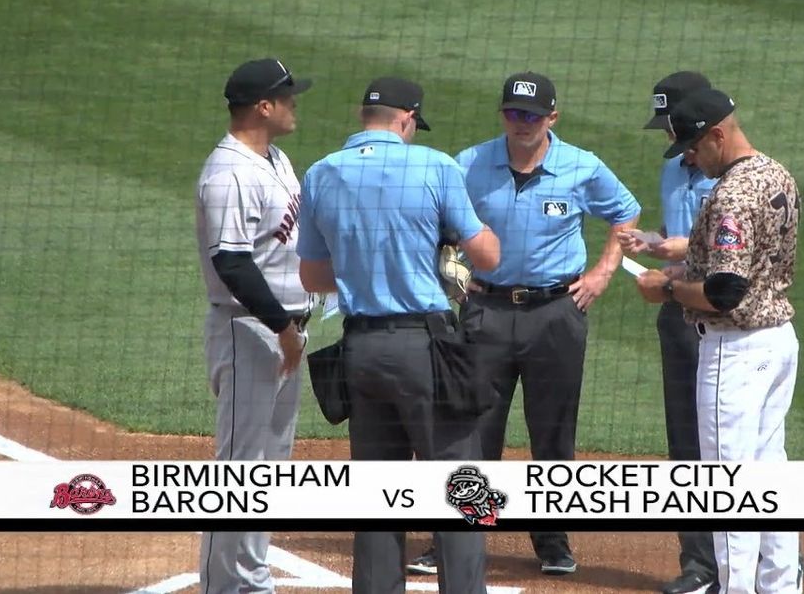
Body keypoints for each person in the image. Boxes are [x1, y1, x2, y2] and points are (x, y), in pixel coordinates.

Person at [407, 71, 642, 577]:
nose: (522, 123)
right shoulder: (469, 163)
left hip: (556, 314)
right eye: (514, 112)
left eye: (532, 115)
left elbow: (626, 214)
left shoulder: (582, 166)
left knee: (553, 431)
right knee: (472, 429)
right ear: (503, 114)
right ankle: (464, 534)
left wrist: (602, 274)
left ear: (551, 117)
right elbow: (430, 217)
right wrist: (448, 266)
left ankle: (552, 541)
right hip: (485, 311)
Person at [295, 77, 501, 594]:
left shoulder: (321, 173)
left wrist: (368, 263)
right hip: (423, 350)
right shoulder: (434, 166)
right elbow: (488, 257)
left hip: (361, 350)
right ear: (407, 118)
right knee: (462, 489)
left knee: (378, 496)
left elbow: (313, 278)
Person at [635, 88, 804, 594]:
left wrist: (666, 286)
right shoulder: (776, 174)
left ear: (717, 135)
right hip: (777, 342)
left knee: (727, 485)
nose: (687, 156)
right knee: (769, 474)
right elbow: (749, 265)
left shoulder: (731, 194)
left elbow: (725, 292)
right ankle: (780, 587)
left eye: (692, 146)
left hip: (735, 351)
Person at [194, 57, 314, 594]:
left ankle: (248, 578)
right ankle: (232, 587)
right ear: (263, 106)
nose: (294, 105)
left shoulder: (275, 158)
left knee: (270, 466)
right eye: (287, 97)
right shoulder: (229, 173)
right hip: (249, 331)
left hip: (282, 331)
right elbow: (232, 261)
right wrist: (282, 325)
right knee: (241, 470)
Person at [618, 71, 719, 594]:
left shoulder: (734, 177)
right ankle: (701, 566)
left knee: (731, 445)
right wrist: (651, 240)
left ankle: (771, 557)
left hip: (722, 323)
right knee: (686, 444)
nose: (668, 134)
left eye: (675, 123)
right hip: (677, 317)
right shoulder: (675, 170)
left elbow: (718, 247)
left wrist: (670, 255)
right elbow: (679, 236)